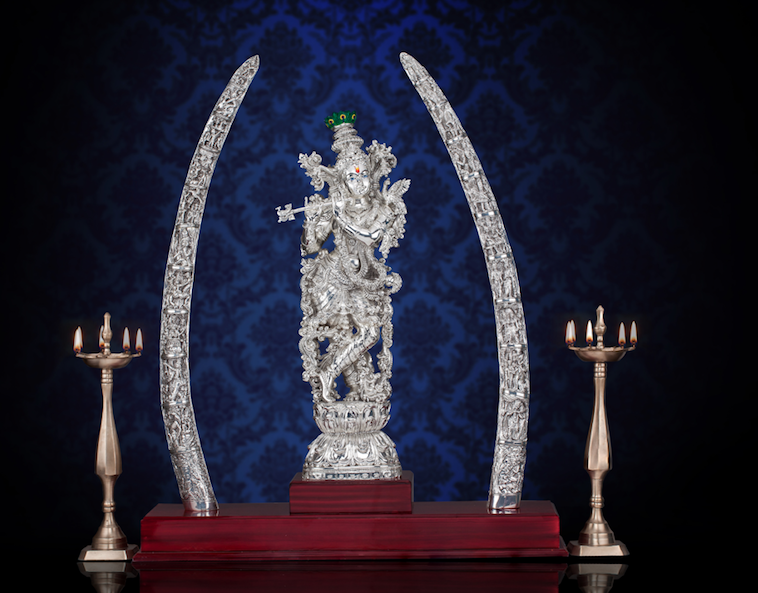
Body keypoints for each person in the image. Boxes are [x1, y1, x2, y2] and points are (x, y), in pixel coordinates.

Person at [298, 111, 409, 404]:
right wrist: (312, 221)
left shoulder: (381, 208)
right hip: (332, 277)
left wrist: (340, 215)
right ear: (343, 181)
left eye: (363, 174)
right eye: (352, 176)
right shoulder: (334, 206)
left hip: (364, 278)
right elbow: (309, 247)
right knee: (343, 334)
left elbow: (371, 236)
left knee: (369, 333)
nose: (359, 182)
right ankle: (339, 383)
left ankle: (332, 373)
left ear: (370, 176)